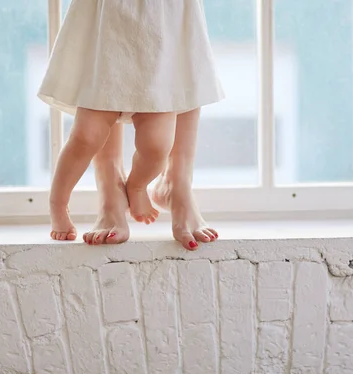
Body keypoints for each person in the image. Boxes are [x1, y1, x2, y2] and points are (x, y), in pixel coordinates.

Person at [38, 0, 223, 250]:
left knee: (157, 144)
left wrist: (138, 185)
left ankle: (141, 186)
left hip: (160, 30)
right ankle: (58, 202)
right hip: (110, 23)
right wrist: (58, 205)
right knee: (85, 137)